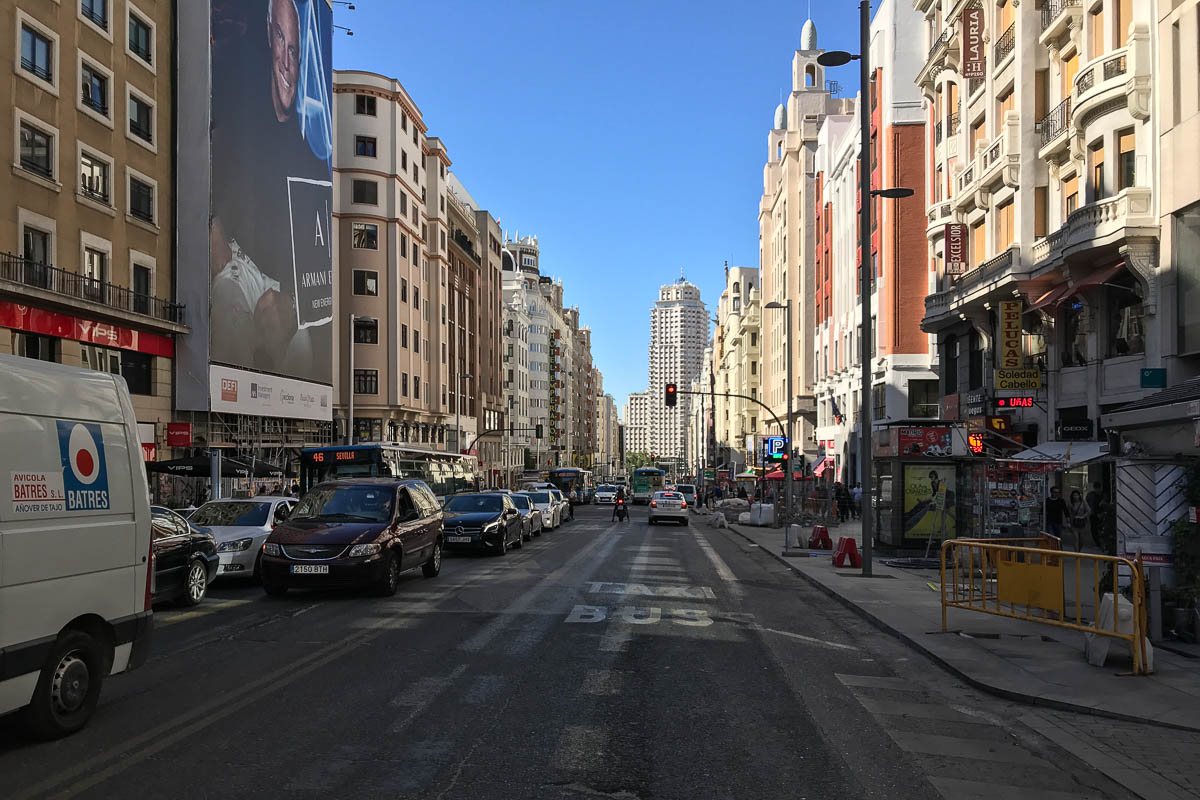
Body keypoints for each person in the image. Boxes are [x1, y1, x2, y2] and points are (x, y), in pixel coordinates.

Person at [1085, 481, 1103, 549]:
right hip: (1099, 514)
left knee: (1094, 529)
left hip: (1093, 513)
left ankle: (1098, 544)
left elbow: (1087, 502)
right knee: (1098, 529)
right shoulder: (1102, 494)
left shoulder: (1090, 494)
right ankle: (1100, 543)